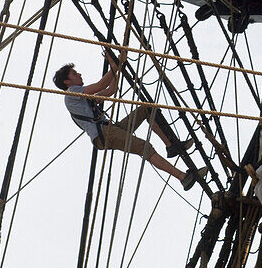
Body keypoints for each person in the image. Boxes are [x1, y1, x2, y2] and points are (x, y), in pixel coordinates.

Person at [53, 47, 207, 192]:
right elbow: (102, 84)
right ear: (67, 82)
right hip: (105, 134)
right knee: (143, 146)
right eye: (74, 74)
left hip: (112, 129)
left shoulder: (84, 99)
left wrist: (117, 66)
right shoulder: (72, 94)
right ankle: (183, 177)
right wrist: (116, 63)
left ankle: (170, 146)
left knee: (146, 109)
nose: (79, 75)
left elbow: (111, 90)